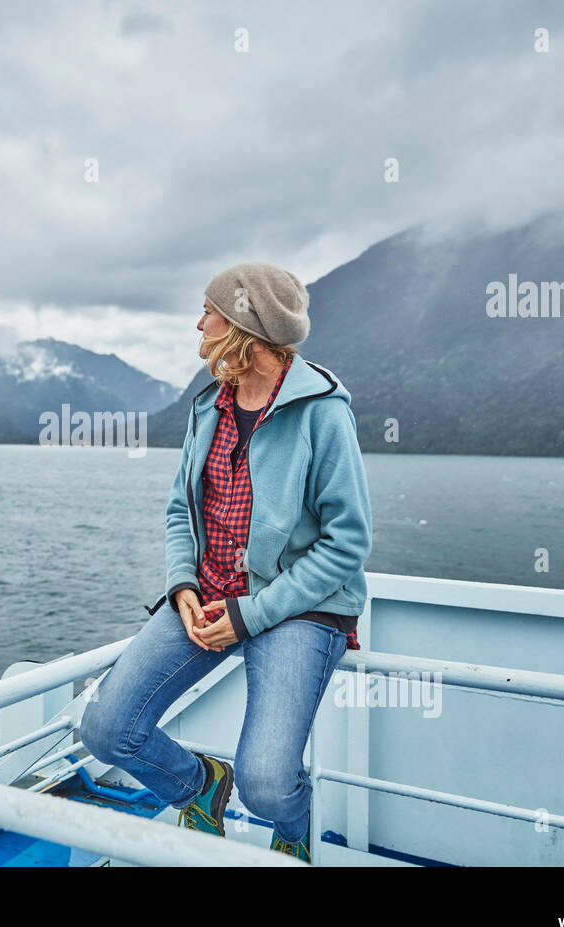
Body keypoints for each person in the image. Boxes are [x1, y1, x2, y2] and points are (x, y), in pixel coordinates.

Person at [80, 261, 373, 863]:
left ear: (242, 324)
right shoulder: (208, 406)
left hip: (298, 608)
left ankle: (295, 822)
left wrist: (250, 615)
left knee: (267, 786)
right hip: (207, 595)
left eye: (208, 311)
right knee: (105, 730)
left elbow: (347, 542)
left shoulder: (322, 410)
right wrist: (182, 584)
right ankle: (199, 786)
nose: (199, 323)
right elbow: (178, 513)